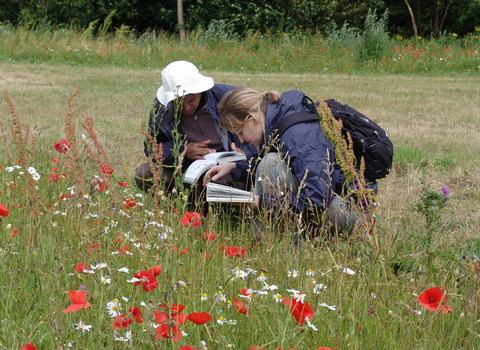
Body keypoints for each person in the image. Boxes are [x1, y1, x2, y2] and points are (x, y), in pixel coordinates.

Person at [204, 87, 378, 235]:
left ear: (253, 119)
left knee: (270, 163)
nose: (241, 140)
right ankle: (272, 241)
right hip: (331, 199)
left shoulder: (299, 136)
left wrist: (261, 202)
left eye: (240, 132)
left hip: (352, 213)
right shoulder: (277, 123)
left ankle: (278, 244)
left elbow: (316, 198)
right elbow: (293, 168)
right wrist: (235, 168)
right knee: (270, 162)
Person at [134, 61, 257, 197]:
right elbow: (152, 147)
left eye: (191, 100)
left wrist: (244, 154)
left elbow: (260, 132)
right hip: (184, 168)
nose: (186, 108)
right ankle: (181, 206)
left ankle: (211, 207)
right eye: (178, 103)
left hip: (227, 169)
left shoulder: (228, 97)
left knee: (215, 180)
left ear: (201, 91)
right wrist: (182, 151)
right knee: (144, 173)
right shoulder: (161, 108)